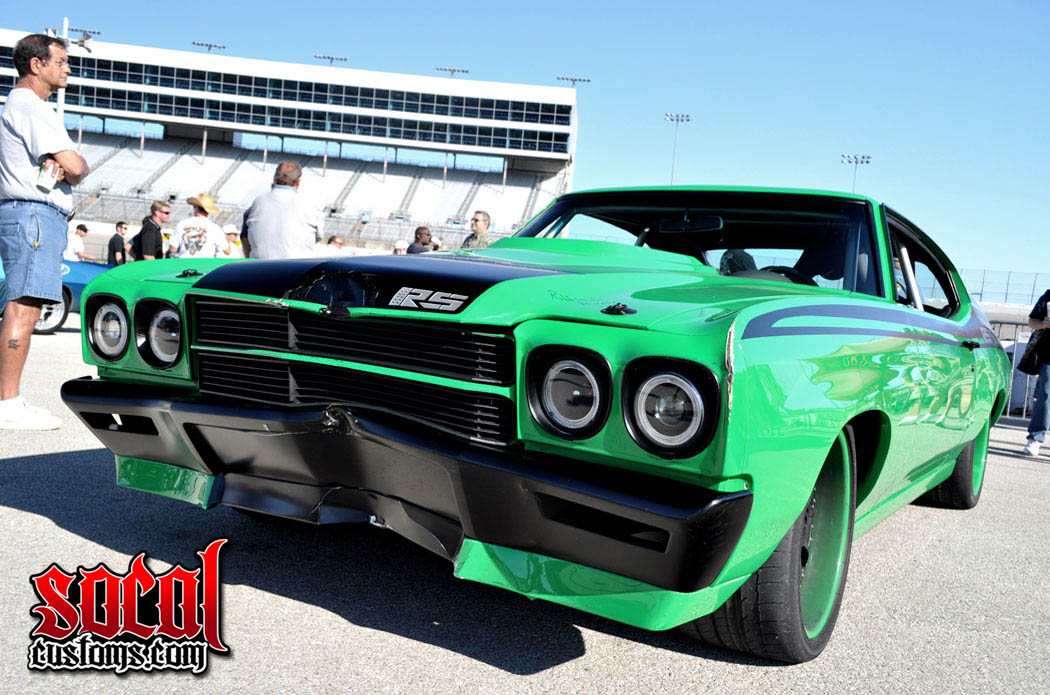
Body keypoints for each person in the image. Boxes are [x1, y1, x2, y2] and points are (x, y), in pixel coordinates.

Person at [0, 33, 90, 430]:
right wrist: (74, 166)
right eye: (61, 61)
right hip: (34, 211)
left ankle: (9, 399)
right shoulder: (31, 105)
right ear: (36, 65)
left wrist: (69, 165)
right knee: (24, 307)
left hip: (29, 212)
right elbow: (76, 166)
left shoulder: (21, 105)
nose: (68, 69)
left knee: (25, 305)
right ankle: (7, 403)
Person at [241, 161, 323, 259]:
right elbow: (318, 237)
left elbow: (244, 237)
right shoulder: (311, 205)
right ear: (298, 181)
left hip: (260, 265)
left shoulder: (257, 202)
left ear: (274, 178)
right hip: (297, 266)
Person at [1023, 289, 1050, 456]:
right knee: (1045, 395)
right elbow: (1032, 322)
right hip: (1048, 355)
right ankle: (1035, 438)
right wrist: (1044, 324)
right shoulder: (1048, 296)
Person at [169, 194, 229, 259]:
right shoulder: (215, 228)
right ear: (208, 211)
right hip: (206, 264)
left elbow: (173, 249)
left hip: (185, 264)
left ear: (196, 207)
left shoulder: (181, 224)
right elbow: (227, 251)